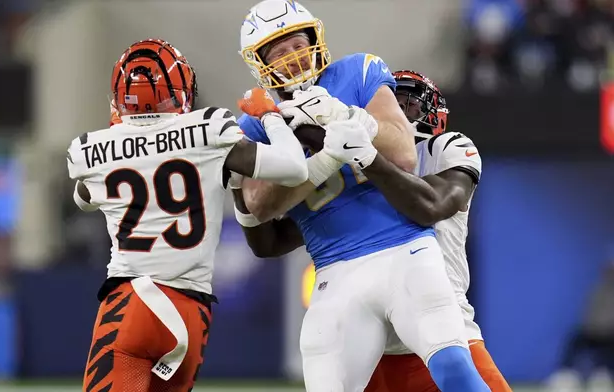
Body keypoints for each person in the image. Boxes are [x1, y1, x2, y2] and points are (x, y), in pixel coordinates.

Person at [234, 1, 490, 390]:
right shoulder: (257, 121)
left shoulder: (356, 71)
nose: (292, 58)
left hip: (404, 250)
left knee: (453, 365)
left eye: (297, 44)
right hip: (335, 273)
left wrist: (345, 117)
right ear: (260, 62)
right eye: (279, 52)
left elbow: (403, 152)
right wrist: (319, 155)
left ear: (315, 40)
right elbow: (258, 206)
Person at [67, 38, 309, 392]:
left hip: (132, 306)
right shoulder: (210, 129)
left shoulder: (90, 151)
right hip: (191, 314)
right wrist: (270, 114)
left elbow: (83, 198)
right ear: (183, 90)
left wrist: (123, 143)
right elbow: (294, 168)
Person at [363, 70, 511, 392]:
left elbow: (431, 205)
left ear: (433, 114)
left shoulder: (445, 148)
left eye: (409, 105)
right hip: (371, 340)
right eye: (390, 104)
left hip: (447, 328)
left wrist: (368, 158)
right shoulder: (351, 161)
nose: (399, 113)